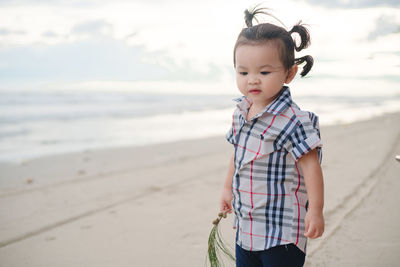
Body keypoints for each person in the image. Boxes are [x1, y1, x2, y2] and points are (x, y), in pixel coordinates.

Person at [220, 6, 324, 267]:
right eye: (243, 72)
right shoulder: (241, 113)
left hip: (282, 231)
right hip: (248, 226)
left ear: (289, 73)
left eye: (264, 72)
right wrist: (226, 188)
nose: (252, 80)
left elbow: (311, 168)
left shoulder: (293, 120)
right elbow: (238, 153)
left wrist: (316, 211)